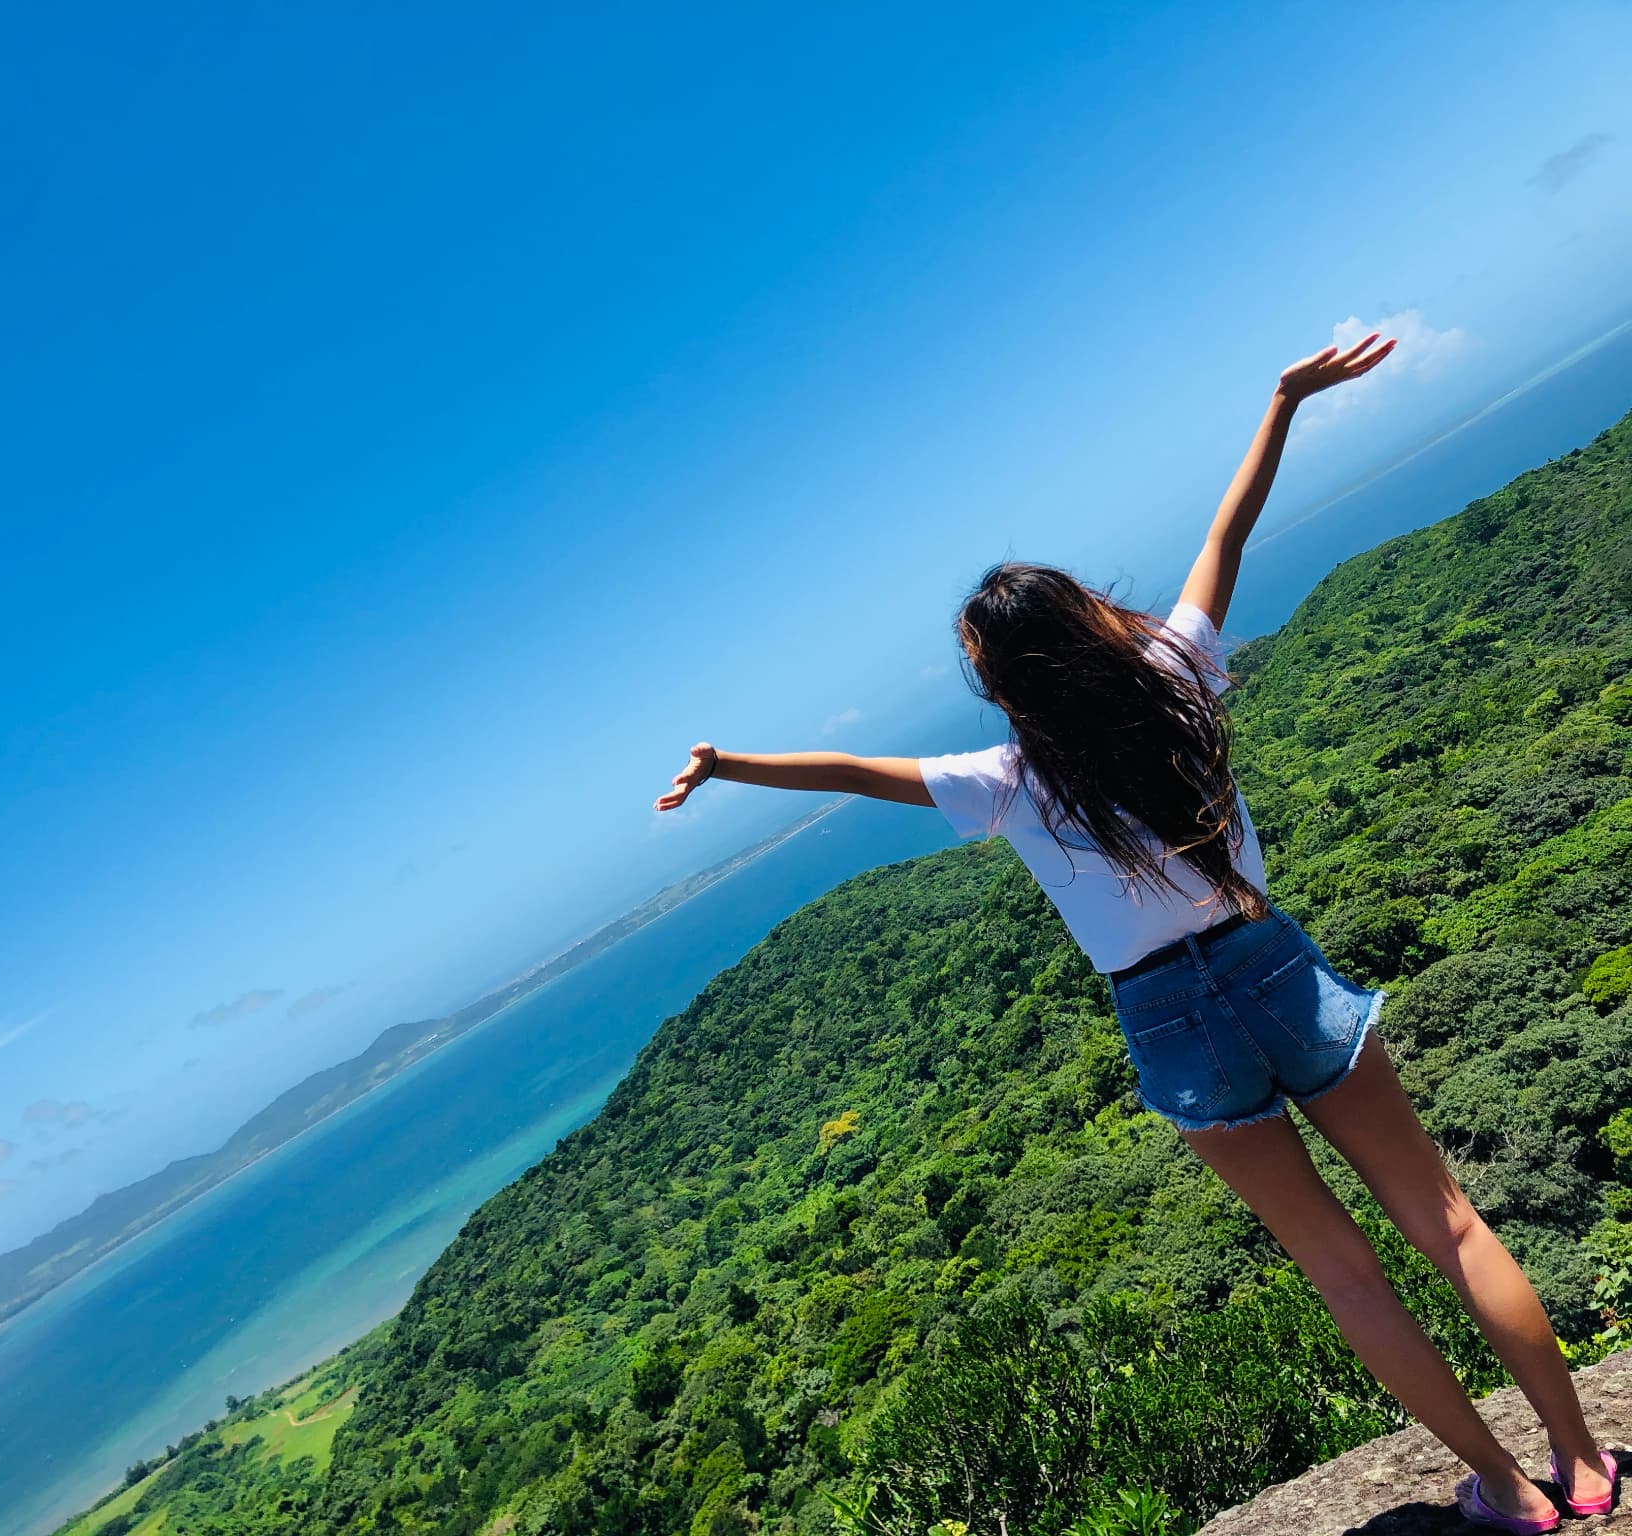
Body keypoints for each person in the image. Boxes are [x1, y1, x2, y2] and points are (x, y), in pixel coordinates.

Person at [653, 334, 1616, 1533]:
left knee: (1341, 1270)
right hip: (1271, 960)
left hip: (1165, 1018)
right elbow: (1227, 532)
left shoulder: (1003, 777)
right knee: (1446, 1222)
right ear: (1083, 621)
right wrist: (1282, 401)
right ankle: (1580, 1464)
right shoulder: (1175, 672)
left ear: (1007, 681)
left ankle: (1511, 1497)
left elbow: (859, 772)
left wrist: (727, 764)